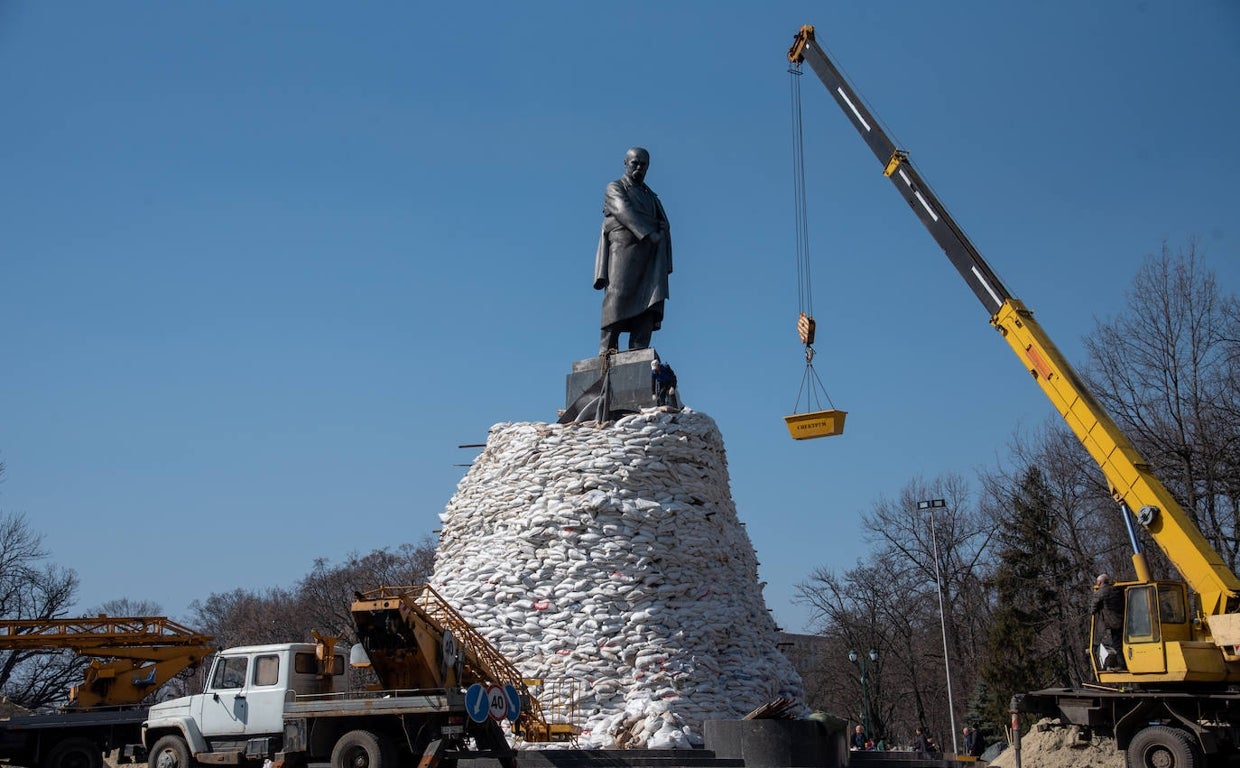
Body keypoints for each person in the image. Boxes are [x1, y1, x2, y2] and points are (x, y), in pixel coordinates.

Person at [594, 147, 673, 355]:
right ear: (625, 163)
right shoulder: (615, 187)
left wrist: (662, 229)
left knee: (649, 302)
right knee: (618, 294)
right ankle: (607, 349)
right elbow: (624, 211)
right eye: (634, 163)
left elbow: (663, 222)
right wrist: (649, 232)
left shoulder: (651, 196)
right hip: (624, 250)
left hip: (651, 256)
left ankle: (638, 350)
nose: (639, 167)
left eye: (643, 164)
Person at [1091, 573, 1126, 670]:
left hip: (1112, 622)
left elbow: (1092, 608)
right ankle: (1118, 663)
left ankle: (1120, 665)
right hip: (1123, 620)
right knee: (1119, 643)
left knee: (1114, 645)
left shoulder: (1101, 592)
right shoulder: (1117, 590)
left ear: (1099, 582)